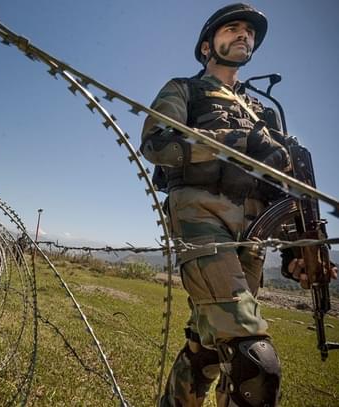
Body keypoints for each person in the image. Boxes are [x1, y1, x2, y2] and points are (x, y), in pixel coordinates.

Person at [140, 4, 290, 406]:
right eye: (233, 28)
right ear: (207, 45)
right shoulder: (184, 90)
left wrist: (296, 247)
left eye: (249, 32)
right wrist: (239, 144)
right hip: (201, 216)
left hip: (255, 232)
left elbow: (284, 186)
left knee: (207, 345)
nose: (244, 35)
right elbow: (158, 142)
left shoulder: (264, 112)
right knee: (253, 359)